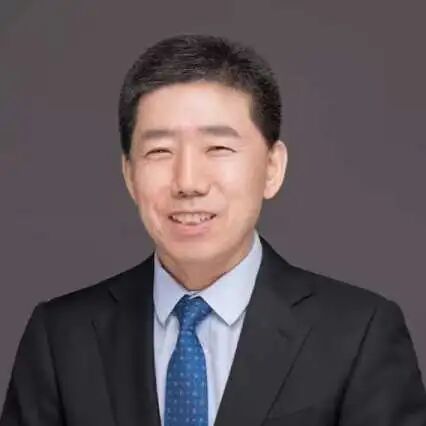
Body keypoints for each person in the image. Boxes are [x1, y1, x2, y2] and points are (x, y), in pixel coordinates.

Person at [1, 34, 425, 426]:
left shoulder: (359, 334)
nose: (188, 182)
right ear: (129, 175)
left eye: (218, 147)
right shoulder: (61, 337)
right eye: (160, 151)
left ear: (272, 168)